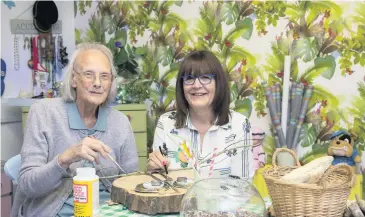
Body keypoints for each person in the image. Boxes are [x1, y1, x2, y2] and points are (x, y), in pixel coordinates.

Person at [11, 43, 138, 217]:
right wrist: (65, 159)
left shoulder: (120, 123)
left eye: (104, 76)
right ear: (73, 79)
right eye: (88, 74)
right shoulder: (44, 113)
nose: (97, 83)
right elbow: (27, 184)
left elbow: (130, 182)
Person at [147, 50, 254, 180]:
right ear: (182, 87)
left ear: (218, 84)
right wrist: (154, 170)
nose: (196, 85)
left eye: (205, 78)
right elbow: (159, 185)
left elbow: (243, 187)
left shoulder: (239, 125)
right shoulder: (166, 123)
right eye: (189, 79)